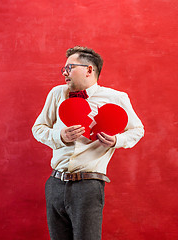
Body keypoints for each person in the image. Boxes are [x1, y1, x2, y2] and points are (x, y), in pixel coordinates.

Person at [32, 46, 144, 240]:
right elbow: (38, 128)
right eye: (63, 69)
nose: (64, 72)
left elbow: (137, 130)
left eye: (70, 67)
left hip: (89, 185)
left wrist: (117, 140)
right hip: (55, 183)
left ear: (89, 70)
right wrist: (60, 136)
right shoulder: (57, 94)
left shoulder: (116, 98)